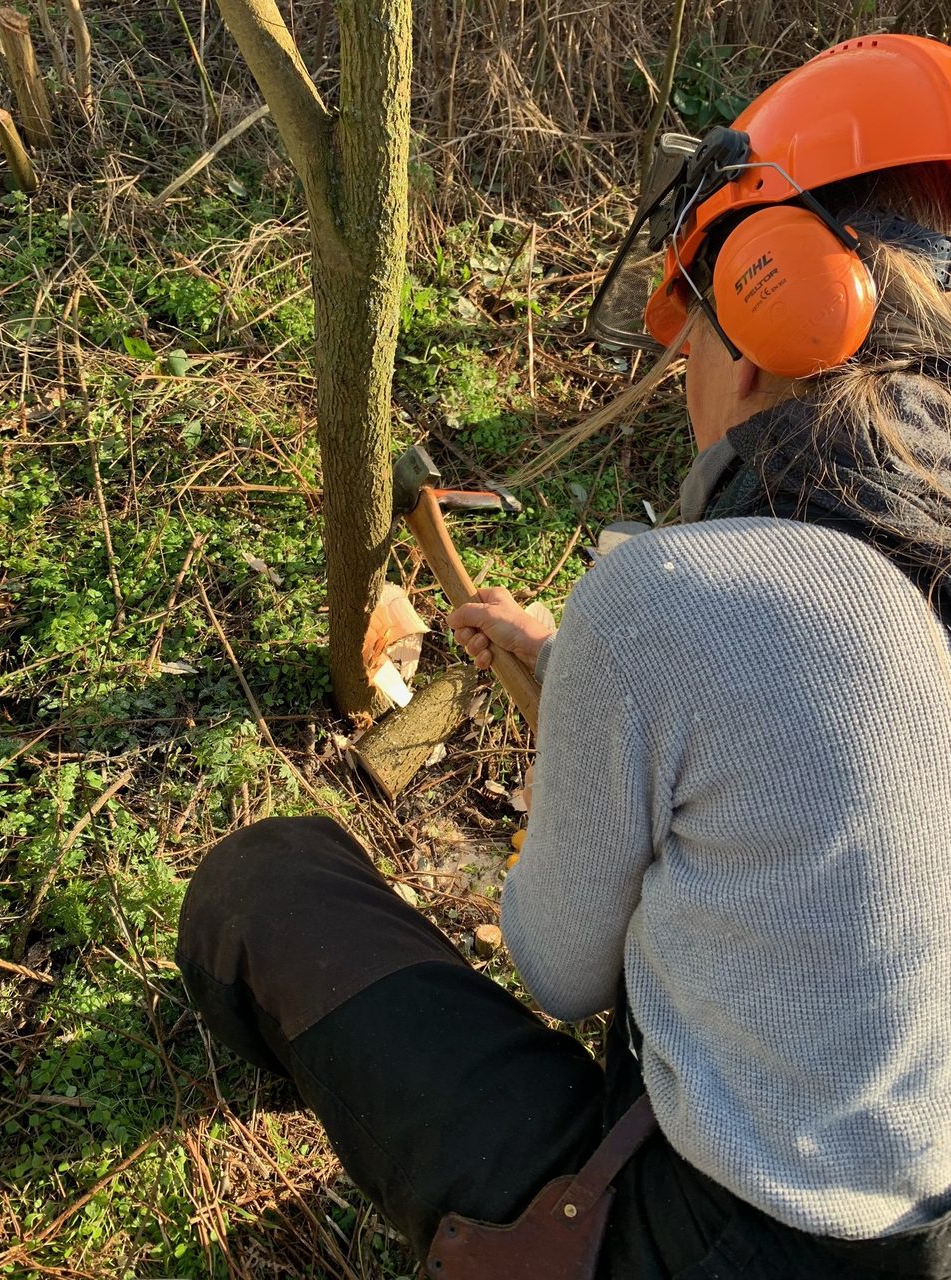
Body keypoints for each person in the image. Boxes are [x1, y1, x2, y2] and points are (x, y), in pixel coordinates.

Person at [176, 32, 951, 1279]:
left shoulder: (666, 602)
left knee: (268, 881)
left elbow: (558, 965)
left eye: (689, 325)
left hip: (708, 1237)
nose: (684, 363)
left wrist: (596, 688)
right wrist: (571, 662)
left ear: (764, 302)